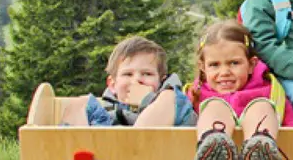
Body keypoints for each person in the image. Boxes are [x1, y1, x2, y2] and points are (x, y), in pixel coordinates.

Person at [142, 20, 293, 160]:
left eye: (234, 63)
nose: (224, 72)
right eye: (214, 65)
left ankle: (258, 159)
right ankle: (215, 155)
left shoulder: (269, 89)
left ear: (251, 64)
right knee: (215, 106)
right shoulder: (195, 94)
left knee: (262, 106)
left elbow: (292, 126)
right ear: (202, 67)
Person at [60, 36, 195, 127]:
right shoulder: (102, 114)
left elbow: (188, 119)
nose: (137, 80)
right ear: (112, 84)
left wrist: (148, 100)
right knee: (80, 105)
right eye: (128, 74)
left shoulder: (172, 102)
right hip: (106, 157)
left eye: (147, 74)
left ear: (161, 81)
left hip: (151, 158)